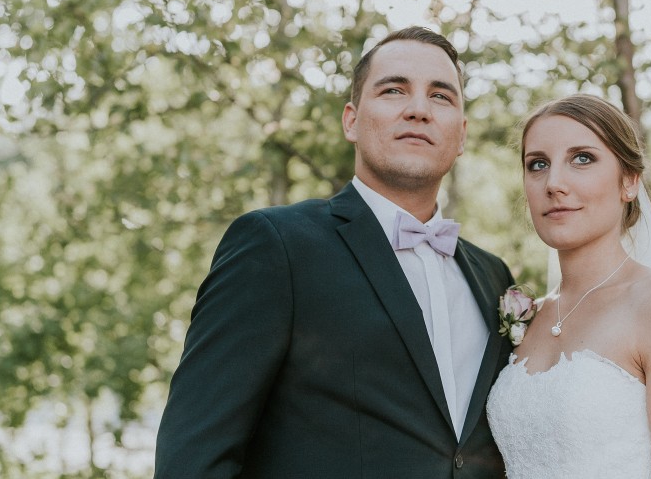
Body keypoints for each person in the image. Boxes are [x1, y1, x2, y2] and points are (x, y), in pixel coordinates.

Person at [155, 26, 515, 478]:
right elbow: (194, 456)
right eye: (394, 90)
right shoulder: (276, 245)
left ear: (461, 135)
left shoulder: (494, 277)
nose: (419, 109)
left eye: (441, 96)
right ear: (351, 120)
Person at [486, 94, 651, 478]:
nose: (554, 183)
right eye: (538, 164)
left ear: (629, 181)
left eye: (582, 158)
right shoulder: (530, 315)